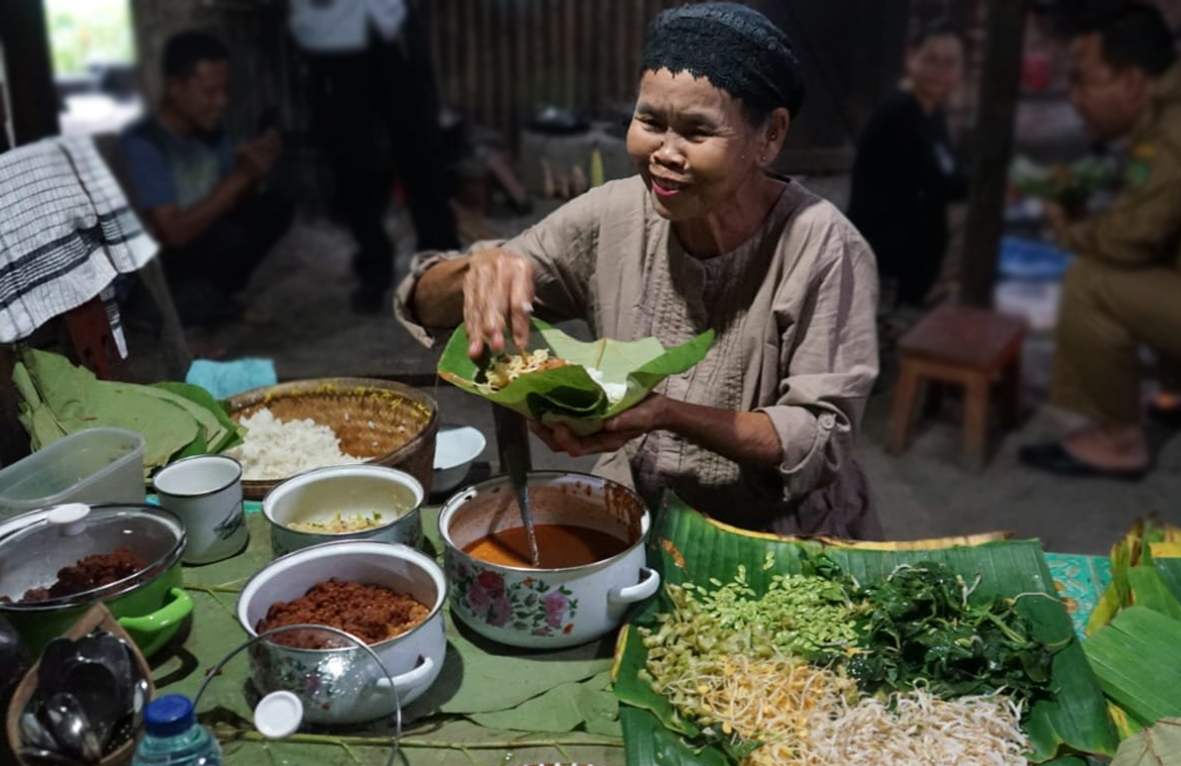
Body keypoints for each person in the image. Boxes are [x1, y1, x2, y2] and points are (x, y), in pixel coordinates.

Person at [400, 3, 881, 539]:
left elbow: (818, 438)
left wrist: (665, 413)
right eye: (649, 122)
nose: (664, 153)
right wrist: (477, 270)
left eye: (697, 132)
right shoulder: (614, 214)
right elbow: (421, 301)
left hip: (775, 533)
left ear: (770, 136)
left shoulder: (824, 246)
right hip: (637, 510)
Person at [1020, 3, 1181, 479]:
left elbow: (1126, 241)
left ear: (1133, 81)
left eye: (1084, 80)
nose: (1075, 97)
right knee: (1158, 265)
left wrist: (1067, 227)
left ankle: (1119, 442)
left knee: (1091, 283)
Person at [289, 0, 459, 314]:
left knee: (423, 156)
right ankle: (373, 269)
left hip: (392, 30)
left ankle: (442, 274)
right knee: (353, 166)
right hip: (331, 42)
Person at [121, 30, 292, 329]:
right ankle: (174, 312)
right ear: (175, 88)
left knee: (273, 206)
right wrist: (240, 177)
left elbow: (230, 199)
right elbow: (172, 233)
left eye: (224, 91)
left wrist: (253, 168)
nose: (222, 102)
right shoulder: (144, 144)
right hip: (159, 265)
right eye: (210, 92)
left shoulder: (212, 133)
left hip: (204, 241)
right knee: (226, 236)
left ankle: (211, 301)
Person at [846, 20, 967, 310]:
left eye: (949, 63)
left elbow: (948, 176)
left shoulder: (932, 114)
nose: (940, 71)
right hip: (886, 267)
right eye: (931, 59)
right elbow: (936, 183)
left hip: (914, 266)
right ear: (911, 58)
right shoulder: (898, 115)